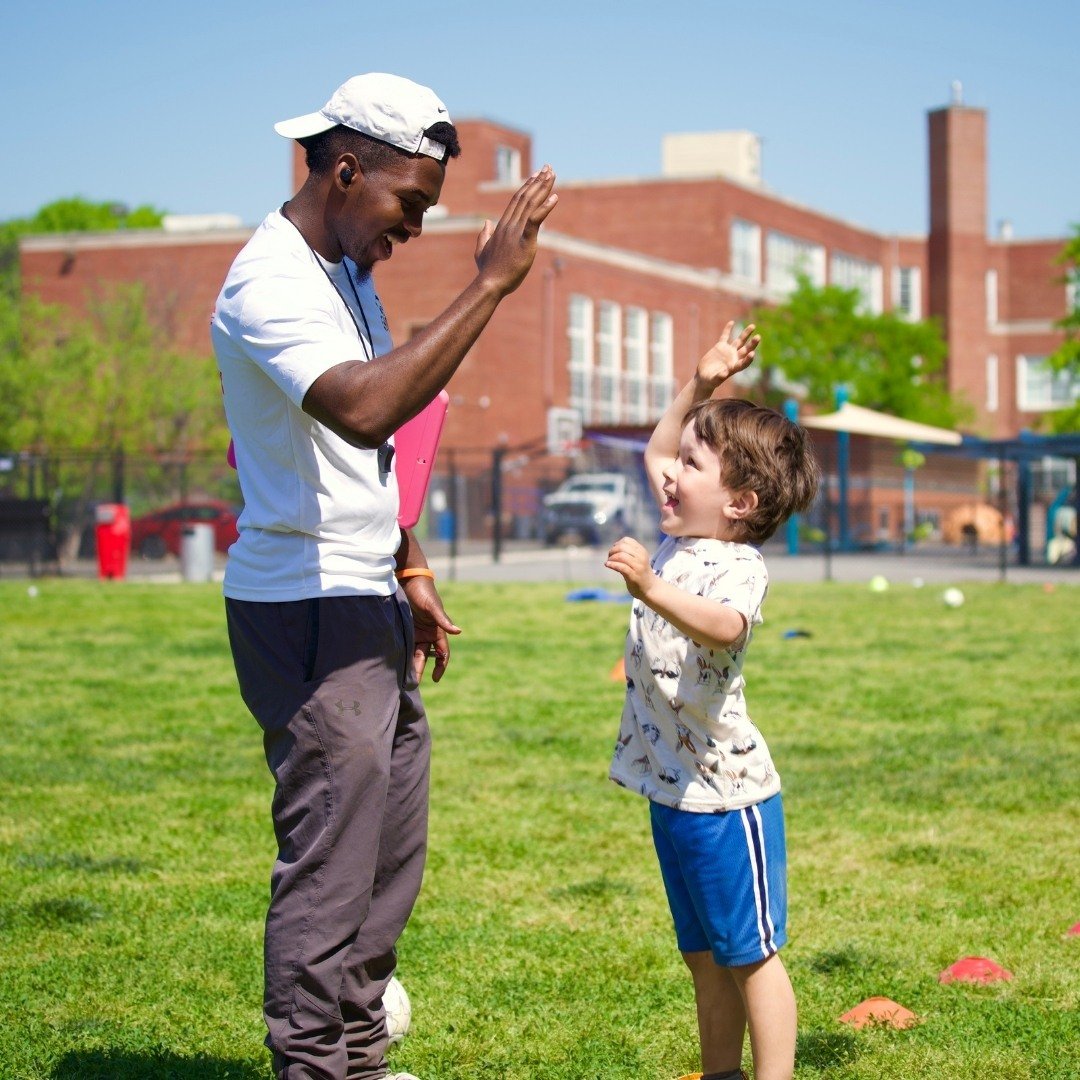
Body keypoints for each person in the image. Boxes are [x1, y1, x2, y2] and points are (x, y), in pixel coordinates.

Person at [211, 72, 557, 1080]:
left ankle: (358, 1056)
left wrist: (407, 563)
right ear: (346, 169)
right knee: (332, 865)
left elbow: (374, 445)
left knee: (388, 855)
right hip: (305, 610)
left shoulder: (344, 271)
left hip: (362, 595)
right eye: (408, 205)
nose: (410, 230)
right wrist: (490, 282)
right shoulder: (269, 279)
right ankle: (313, 1067)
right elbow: (362, 408)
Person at [604, 323, 818, 1080]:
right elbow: (658, 447)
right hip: (673, 794)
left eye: (692, 466)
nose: (669, 475)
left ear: (739, 501)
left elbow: (725, 629)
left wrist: (652, 589)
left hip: (729, 802)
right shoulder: (680, 534)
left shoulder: (735, 566)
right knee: (702, 957)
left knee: (750, 957)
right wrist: (701, 385)